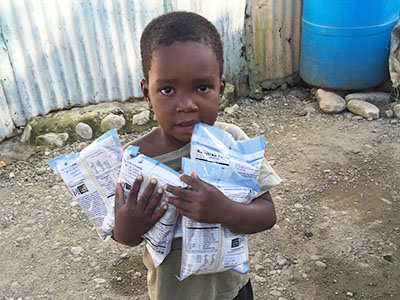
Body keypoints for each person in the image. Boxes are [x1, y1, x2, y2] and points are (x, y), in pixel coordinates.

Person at [113, 11, 281, 300]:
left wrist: (225, 210)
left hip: (232, 291)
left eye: (202, 87)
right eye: (167, 90)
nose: (187, 104)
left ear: (221, 89)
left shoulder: (232, 142)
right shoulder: (136, 158)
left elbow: (267, 214)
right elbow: (125, 236)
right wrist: (126, 229)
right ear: (146, 93)